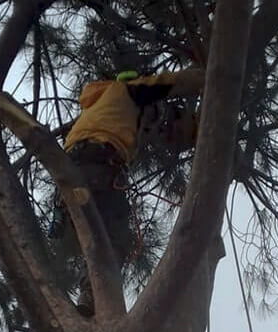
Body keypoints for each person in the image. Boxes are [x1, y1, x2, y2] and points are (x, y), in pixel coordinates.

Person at [52, 68, 204, 316]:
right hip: (99, 164)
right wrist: (208, 77)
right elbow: (170, 83)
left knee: (96, 237)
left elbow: (164, 135)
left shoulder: (98, 109)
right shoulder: (128, 91)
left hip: (73, 169)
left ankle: (89, 297)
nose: (149, 126)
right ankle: (93, 298)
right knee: (117, 238)